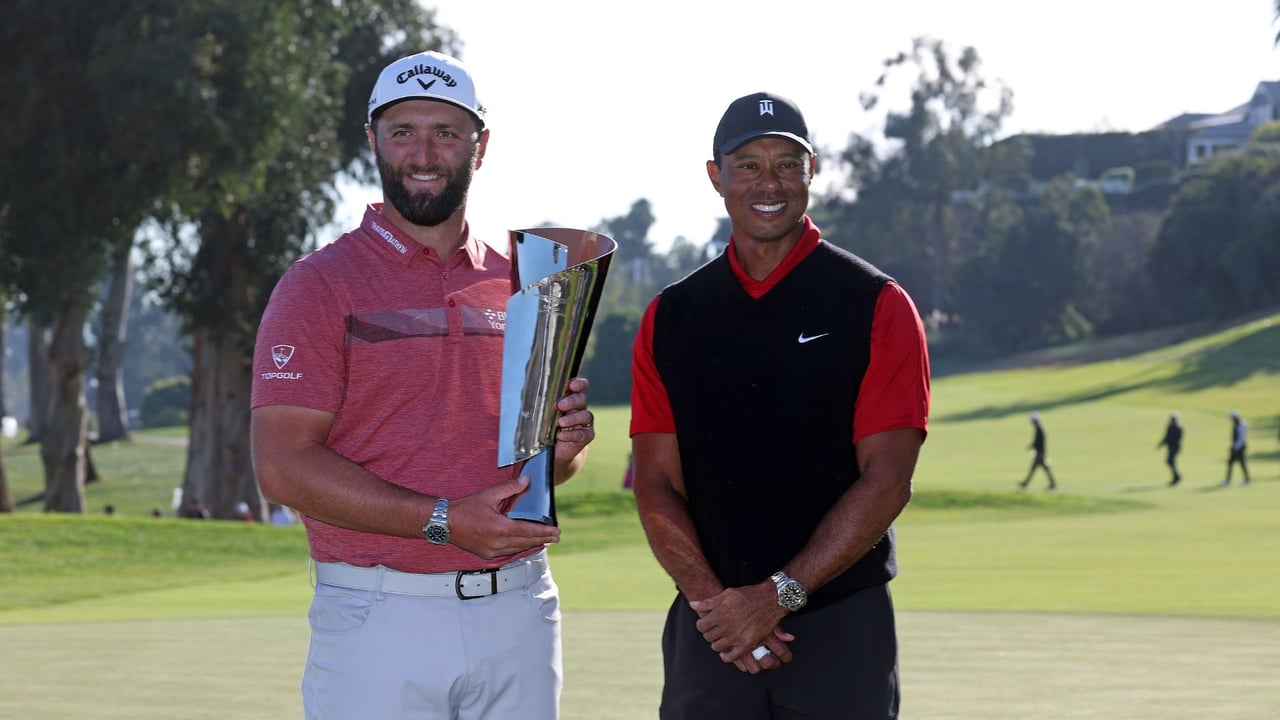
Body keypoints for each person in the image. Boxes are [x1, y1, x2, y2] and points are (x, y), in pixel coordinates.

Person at [249, 50, 595, 720]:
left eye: (446, 131)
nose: (424, 152)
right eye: (403, 131)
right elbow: (283, 467)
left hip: (519, 609)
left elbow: (537, 466)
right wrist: (442, 521)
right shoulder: (317, 285)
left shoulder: (527, 280)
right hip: (380, 615)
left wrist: (565, 444)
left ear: (481, 145)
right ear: (373, 141)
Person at [629, 91, 930, 719]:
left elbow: (888, 479)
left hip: (839, 627)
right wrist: (722, 608)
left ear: (812, 172)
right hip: (712, 629)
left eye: (788, 164)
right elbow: (656, 483)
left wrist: (777, 596)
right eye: (748, 164)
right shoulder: (671, 317)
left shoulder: (875, 303)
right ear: (716, 175)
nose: (770, 183)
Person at [1019, 412, 1056, 490]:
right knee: (1043, 468)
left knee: (1034, 468)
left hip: (1040, 453)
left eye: (1033, 421)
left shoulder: (1039, 430)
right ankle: (1052, 483)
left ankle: (1025, 484)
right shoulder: (1039, 429)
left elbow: (1037, 443)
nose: (1032, 423)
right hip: (1040, 452)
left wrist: (1032, 447)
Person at [1222, 410, 1250, 486]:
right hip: (1237, 447)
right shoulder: (1239, 424)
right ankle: (1228, 480)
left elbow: (1240, 438)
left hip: (1239, 448)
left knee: (1241, 463)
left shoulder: (1240, 425)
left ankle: (1246, 480)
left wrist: (1235, 448)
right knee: (1232, 463)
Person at [1157, 412, 1183, 486]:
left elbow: (1169, 437)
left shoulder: (1177, 427)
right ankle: (1176, 477)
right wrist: (1161, 444)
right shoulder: (1172, 426)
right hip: (1172, 447)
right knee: (1170, 461)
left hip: (1175, 447)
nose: (1172, 420)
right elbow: (1167, 437)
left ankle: (1177, 477)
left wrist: (1161, 444)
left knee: (1170, 461)